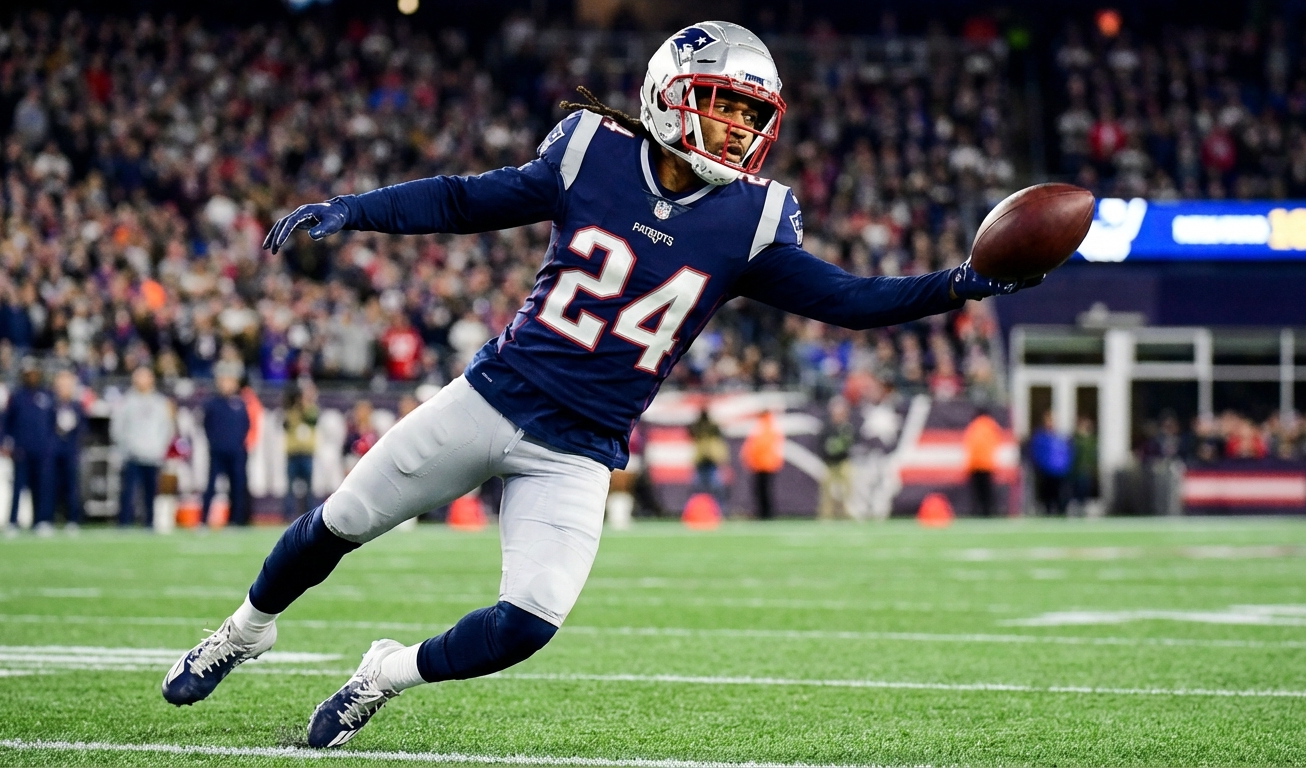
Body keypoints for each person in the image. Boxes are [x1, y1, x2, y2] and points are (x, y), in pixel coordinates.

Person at [161, 21, 1041, 748]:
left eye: (749, 116)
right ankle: (245, 631)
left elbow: (848, 300)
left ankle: (384, 671)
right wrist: (358, 207)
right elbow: (468, 200)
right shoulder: (591, 151)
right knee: (338, 525)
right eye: (721, 108)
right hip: (494, 395)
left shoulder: (756, 218)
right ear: (670, 96)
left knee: (529, 623)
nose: (737, 131)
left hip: (578, 449)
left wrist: (957, 285)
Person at [112, 366, 176, 528]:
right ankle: (124, 524)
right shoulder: (126, 401)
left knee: (151, 493)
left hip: (153, 455)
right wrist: (125, 447)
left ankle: (150, 523)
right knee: (128, 493)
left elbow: (167, 428)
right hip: (132, 455)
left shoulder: (160, 402)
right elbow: (117, 427)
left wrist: (160, 448)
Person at [2, 360, 54, 535]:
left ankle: (41, 521)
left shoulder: (47, 395)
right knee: (18, 487)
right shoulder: (17, 396)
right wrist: (5, 442)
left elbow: (52, 422)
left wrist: (49, 444)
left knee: (42, 487)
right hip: (21, 450)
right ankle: (12, 522)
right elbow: (6, 422)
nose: (32, 376)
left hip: (42, 450)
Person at [200, 362, 251, 527]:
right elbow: (206, 424)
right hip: (217, 451)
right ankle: (203, 520)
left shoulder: (240, 403)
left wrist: (238, 443)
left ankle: (235, 520)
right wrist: (214, 442)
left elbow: (246, 425)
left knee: (237, 487)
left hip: (236, 452)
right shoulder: (213, 403)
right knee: (211, 487)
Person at [50, 370, 86, 530]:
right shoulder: (50, 404)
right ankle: (47, 519)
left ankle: (73, 519)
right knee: (50, 486)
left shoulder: (77, 405)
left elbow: (84, 428)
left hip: (71, 450)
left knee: (72, 486)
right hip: (52, 450)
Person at [282, 383, 319, 523]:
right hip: (293, 452)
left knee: (309, 488)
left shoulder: (311, 409)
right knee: (290, 487)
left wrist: (306, 403)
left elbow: (312, 419)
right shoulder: (290, 411)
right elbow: (286, 424)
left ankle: (309, 516)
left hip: (306, 452)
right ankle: (288, 515)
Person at [816, 396, 855, 520]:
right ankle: (826, 515)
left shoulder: (847, 427)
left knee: (847, 490)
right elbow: (820, 444)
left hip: (843, 461)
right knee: (827, 492)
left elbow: (852, 444)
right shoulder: (827, 428)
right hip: (829, 463)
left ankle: (846, 514)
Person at [742, 410, 785, 519]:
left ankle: (766, 513)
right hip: (764, 463)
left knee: (763, 490)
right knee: (762, 490)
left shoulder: (764, 427)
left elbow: (759, 447)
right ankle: (764, 512)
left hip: (764, 464)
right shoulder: (768, 426)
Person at [1029, 412, 1073, 516]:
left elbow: (1066, 453)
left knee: (1060, 492)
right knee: (1047, 493)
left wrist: (1066, 466)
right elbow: (1037, 453)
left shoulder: (1059, 437)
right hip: (1046, 470)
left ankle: (1060, 511)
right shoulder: (1041, 437)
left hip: (1059, 470)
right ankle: (1048, 511)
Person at [963, 408, 1001, 517]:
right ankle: (989, 511)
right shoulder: (992, 426)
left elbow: (969, 445)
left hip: (975, 464)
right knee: (987, 491)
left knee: (977, 492)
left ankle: (978, 511)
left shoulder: (974, 426)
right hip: (987, 463)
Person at [689, 408, 728, 502]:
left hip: (711, 459)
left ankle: (718, 508)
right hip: (701, 459)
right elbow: (691, 431)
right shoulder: (698, 427)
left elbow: (717, 432)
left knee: (715, 486)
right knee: (698, 486)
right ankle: (698, 506)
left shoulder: (713, 427)